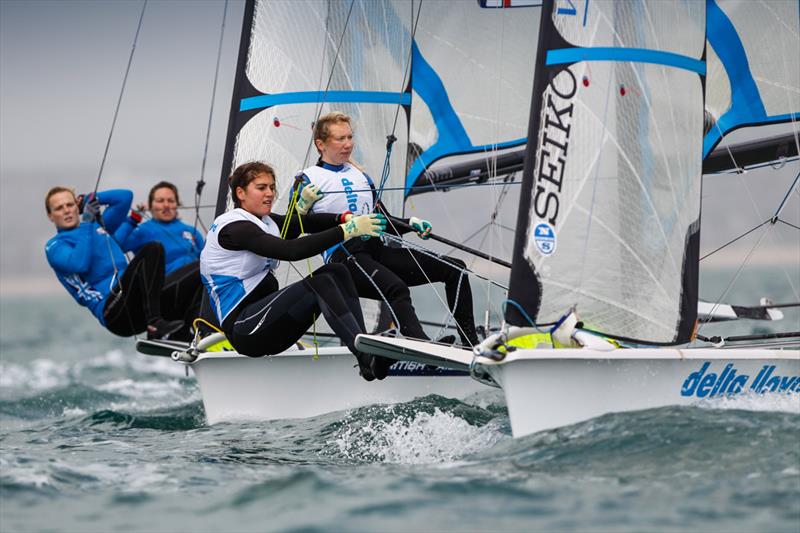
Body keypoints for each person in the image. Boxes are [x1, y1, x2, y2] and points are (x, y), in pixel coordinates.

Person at [301, 111, 479, 347]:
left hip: (375, 249)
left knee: (455, 269)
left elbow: (382, 219)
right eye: (340, 139)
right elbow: (294, 229)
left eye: (350, 137)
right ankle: (421, 345)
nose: (348, 144)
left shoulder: (361, 176)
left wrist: (410, 224)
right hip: (344, 258)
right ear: (320, 144)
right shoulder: (309, 179)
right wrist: (301, 207)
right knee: (396, 288)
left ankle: (471, 343)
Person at [200, 161, 389, 381]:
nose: (270, 193)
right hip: (245, 330)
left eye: (272, 187)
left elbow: (297, 225)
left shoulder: (264, 221)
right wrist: (347, 230)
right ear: (240, 193)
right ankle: (364, 355)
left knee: (336, 270)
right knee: (320, 284)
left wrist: (344, 218)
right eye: (261, 188)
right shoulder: (234, 228)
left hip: (272, 324)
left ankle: (364, 350)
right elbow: (291, 250)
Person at [44, 187, 184, 339]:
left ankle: (189, 335)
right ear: (51, 216)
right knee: (153, 249)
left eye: (70, 205)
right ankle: (155, 325)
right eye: (59, 208)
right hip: (114, 312)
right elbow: (79, 264)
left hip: (135, 303)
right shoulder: (55, 246)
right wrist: (87, 222)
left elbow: (125, 197)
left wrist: (90, 198)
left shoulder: (97, 226)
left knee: (199, 272)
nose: (66, 211)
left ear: (77, 207)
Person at [115, 181, 205, 341]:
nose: (166, 205)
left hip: (189, 295)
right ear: (150, 205)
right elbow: (117, 245)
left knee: (209, 269)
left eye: (170, 201)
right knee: (204, 267)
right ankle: (160, 328)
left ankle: (193, 332)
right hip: (163, 292)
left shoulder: (191, 232)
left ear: (177, 204)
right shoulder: (144, 230)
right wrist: (132, 220)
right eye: (160, 201)